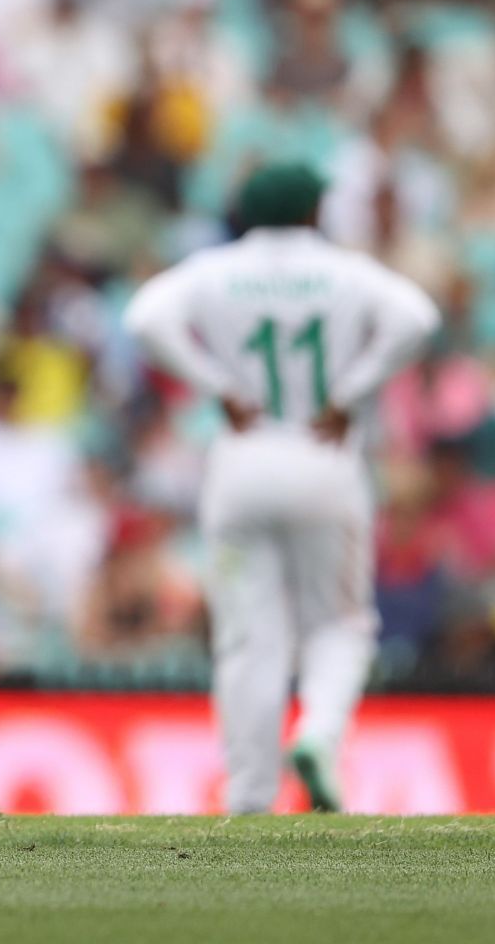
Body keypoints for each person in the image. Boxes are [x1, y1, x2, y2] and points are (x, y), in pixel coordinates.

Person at [124, 164, 439, 814]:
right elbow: (417, 317)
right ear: (314, 209)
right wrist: (352, 391)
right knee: (339, 624)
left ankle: (250, 794)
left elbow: (146, 318)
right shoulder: (343, 271)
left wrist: (218, 386)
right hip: (322, 456)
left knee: (247, 637)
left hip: (242, 460)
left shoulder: (217, 269)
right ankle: (319, 735)